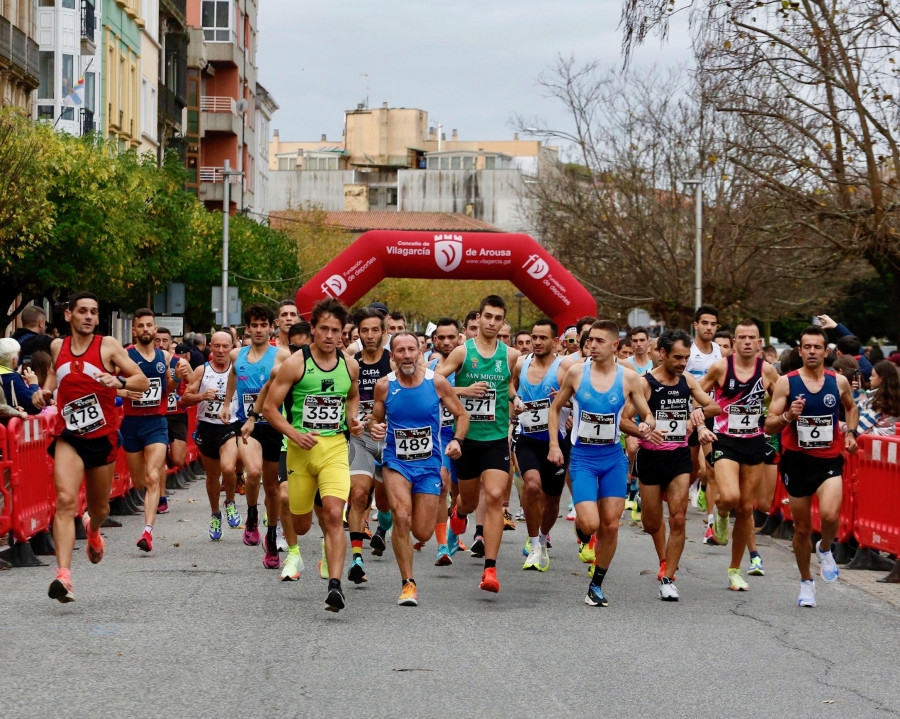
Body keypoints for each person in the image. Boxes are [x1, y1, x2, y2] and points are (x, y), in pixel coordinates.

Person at [46, 292, 149, 603]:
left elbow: (142, 381)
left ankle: (93, 530)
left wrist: (118, 383)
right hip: (69, 436)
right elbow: (54, 374)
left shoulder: (108, 346)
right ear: (69, 316)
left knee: (100, 508)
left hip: (102, 437)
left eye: (94, 312)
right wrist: (44, 391)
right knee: (65, 500)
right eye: (82, 311)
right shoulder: (56, 346)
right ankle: (63, 576)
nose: (89, 316)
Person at [263, 298, 364, 612]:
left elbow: (352, 397)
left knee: (335, 514)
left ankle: (335, 586)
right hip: (299, 451)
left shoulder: (349, 365)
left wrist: (353, 421)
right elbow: (269, 408)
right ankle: (306, 544)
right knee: (303, 523)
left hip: (334, 448)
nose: (330, 336)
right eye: (324, 329)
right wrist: (295, 434)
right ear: (313, 329)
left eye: (336, 330)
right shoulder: (296, 363)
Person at [548, 320, 655, 607]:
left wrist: (647, 426)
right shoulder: (576, 373)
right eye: (589, 341)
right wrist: (554, 444)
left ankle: (596, 584)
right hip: (583, 457)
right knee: (591, 523)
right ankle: (583, 530)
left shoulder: (629, 378)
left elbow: (646, 414)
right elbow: (556, 407)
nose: (591, 346)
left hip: (613, 458)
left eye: (598, 341)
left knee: (610, 524)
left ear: (614, 346)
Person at [369, 331, 469, 606]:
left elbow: (462, 415)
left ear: (420, 352)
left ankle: (410, 531)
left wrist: (458, 441)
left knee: (422, 532)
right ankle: (408, 583)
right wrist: (374, 428)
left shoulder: (436, 383)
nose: (406, 355)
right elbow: (375, 421)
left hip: (429, 465)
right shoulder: (384, 386)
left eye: (411, 349)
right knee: (402, 515)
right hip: (396, 462)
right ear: (392, 357)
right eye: (400, 351)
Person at [621, 329, 721, 600]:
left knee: (678, 518)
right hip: (651, 458)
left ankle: (668, 576)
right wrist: (642, 431)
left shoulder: (687, 380)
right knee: (652, 524)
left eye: (686, 357)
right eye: (677, 357)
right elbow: (623, 420)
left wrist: (696, 414)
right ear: (662, 354)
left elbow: (714, 406)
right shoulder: (644, 383)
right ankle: (664, 558)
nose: (682, 363)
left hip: (678, 457)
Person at [765, 325, 858, 608]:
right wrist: (788, 417)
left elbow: (851, 407)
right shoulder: (786, 383)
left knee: (830, 515)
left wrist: (851, 433)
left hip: (829, 459)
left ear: (826, 351)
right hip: (796, 460)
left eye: (818, 347)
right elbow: (768, 422)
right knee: (802, 528)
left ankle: (826, 548)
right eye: (807, 347)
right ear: (800, 350)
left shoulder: (838, 381)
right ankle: (806, 582)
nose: (812, 351)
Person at [436, 295, 521, 594]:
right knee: (469, 502)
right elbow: (435, 379)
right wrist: (464, 390)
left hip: (497, 438)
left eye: (498, 318)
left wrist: (515, 399)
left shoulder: (510, 355)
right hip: (468, 439)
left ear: (503, 321)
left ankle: (490, 569)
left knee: (496, 496)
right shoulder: (462, 352)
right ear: (479, 318)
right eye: (488, 317)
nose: (493, 323)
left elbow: (508, 384)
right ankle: (458, 515)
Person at [700, 320, 780, 590]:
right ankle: (721, 513)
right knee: (730, 497)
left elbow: (781, 398)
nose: (747, 342)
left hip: (754, 443)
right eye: (742, 337)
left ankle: (735, 570)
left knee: (746, 508)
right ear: (734, 342)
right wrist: (701, 419)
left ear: (759, 343)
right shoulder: (722, 367)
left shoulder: (767, 371)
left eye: (752, 338)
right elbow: (697, 392)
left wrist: (775, 417)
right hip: (726, 442)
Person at [221, 304, 288, 568]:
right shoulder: (237, 355)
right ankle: (251, 514)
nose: (259, 329)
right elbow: (233, 378)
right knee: (254, 471)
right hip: (247, 426)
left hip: (272, 425)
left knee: (271, 488)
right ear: (247, 328)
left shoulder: (282, 356)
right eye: (254, 325)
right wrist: (227, 404)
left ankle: (271, 536)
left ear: (271, 327)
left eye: (264, 325)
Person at [121, 309, 191, 553]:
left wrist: (177, 377)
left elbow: (168, 389)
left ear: (154, 327)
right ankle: (155, 470)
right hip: (131, 424)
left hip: (156, 423)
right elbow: (106, 384)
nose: (146, 330)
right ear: (134, 330)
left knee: (152, 478)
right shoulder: (125, 356)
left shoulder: (164, 356)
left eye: (149, 325)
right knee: (140, 482)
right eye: (141, 326)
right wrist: (123, 391)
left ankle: (147, 533)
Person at [512, 318, 567, 572]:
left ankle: (544, 537)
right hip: (528, 439)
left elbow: (579, 399)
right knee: (531, 485)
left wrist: (567, 405)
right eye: (534, 337)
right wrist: (515, 402)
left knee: (552, 501)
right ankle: (534, 544)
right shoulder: (521, 364)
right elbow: (512, 388)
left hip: (557, 443)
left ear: (555, 341)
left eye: (543, 338)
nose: (536, 342)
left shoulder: (564, 368)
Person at [346, 307, 394, 583]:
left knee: (385, 502)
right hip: (360, 438)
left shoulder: (395, 362)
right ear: (358, 333)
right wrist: (352, 420)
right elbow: (342, 399)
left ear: (384, 332)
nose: (370, 335)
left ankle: (383, 525)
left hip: (389, 438)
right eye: (364, 330)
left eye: (375, 329)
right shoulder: (351, 363)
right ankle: (356, 557)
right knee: (360, 494)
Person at [181, 331, 242, 542]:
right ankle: (216, 514)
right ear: (210, 347)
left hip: (229, 426)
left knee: (228, 468)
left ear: (232, 347)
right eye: (216, 346)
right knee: (213, 477)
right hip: (207, 427)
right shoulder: (202, 370)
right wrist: (201, 396)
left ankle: (231, 502)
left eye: (226, 346)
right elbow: (184, 399)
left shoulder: (237, 370)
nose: (221, 351)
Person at [685, 305, 722, 542]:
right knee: (690, 469)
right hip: (685, 416)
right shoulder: (686, 350)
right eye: (705, 323)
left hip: (708, 415)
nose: (709, 328)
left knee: (712, 468)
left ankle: (711, 523)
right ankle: (674, 497)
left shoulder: (719, 351)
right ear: (696, 325)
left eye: (713, 324)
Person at [0, 338, 47, 415]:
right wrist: (33, 384)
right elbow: (34, 407)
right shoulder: (12, 378)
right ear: (14, 360)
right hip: (9, 424)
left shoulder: (11, 376)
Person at [856, 360, 900, 435]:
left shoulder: (877, 402)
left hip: (874, 444)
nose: (870, 378)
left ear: (882, 378)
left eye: (873, 375)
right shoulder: (895, 398)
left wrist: (842, 426)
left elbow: (859, 429)